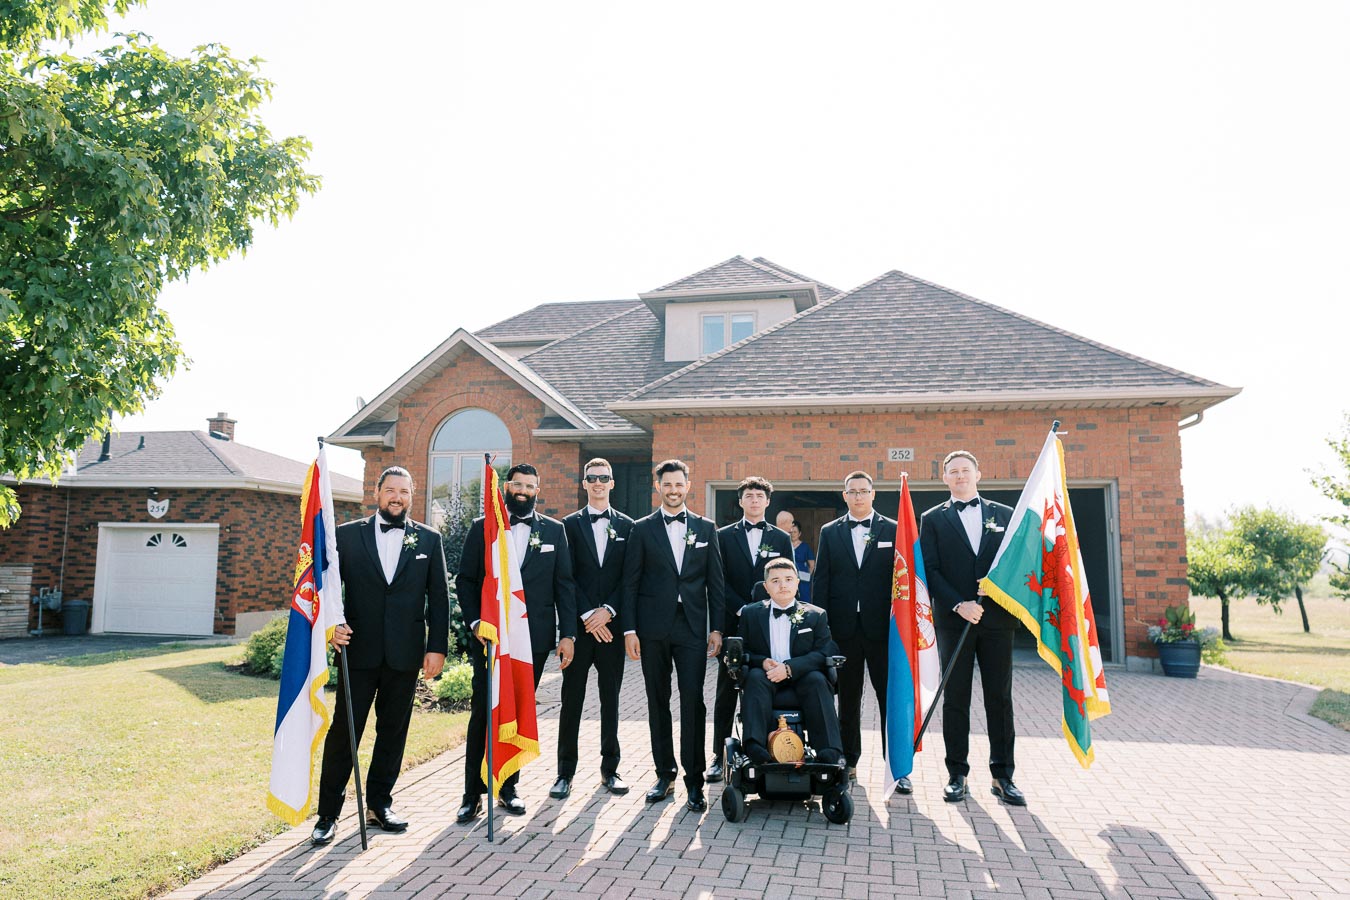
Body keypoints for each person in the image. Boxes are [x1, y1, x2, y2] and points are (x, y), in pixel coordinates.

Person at [312, 466, 449, 846]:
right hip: (357, 650)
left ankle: (379, 804)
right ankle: (327, 815)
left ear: (412, 494)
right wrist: (330, 626)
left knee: (393, 732)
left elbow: (438, 597)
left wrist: (436, 647)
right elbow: (325, 589)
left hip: (405, 655)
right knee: (344, 733)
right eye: (390, 490)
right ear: (377, 493)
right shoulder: (345, 537)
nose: (397, 497)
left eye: (404, 491)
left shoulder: (428, 539)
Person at [455, 463, 578, 822]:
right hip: (491, 639)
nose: (523, 490)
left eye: (530, 486)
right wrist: (477, 621)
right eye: (518, 484)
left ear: (538, 490)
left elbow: (564, 585)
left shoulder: (555, 531)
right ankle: (471, 795)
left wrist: (567, 634)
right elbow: (465, 580)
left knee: (519, 709)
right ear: (507, 487)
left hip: (532, 642)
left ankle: (508, 789)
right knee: (483, 712)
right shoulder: (484, 528)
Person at [621, 459, 726, 813]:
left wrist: (717, 628)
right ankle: (664, 774)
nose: (673, 490)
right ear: (658, 487)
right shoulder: (642, 529)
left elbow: (716, 583)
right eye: (667, 484)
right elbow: (630, 583)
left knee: (693, 701)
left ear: (688, 485)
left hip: (693, 627)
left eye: (679, 484)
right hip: (652, 628)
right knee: (657, 700)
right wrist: (630, 629)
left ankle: (693, 780)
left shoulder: (706, 527)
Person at [919, 450, 1022, 805]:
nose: (960, 476)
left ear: (979, 473)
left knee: (999, 697)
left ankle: (1003, 774)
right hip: (954, 619)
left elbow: (1015, 565)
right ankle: (956, 773)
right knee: (956, 697)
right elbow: (930, 569)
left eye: (966, 470)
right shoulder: (932, 518)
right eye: (953, 471)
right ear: (944, 478)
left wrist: (993, 594)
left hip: (996, 620)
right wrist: (958, 604)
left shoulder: (1006, 515)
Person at [811, 470, 905, 789]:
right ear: (845, 495)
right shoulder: (829, 532)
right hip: (843, 631)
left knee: (888, 699)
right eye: (852, 492)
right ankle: (848, 761)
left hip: (883, 632)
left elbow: (903, 582)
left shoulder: (894, 530)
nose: (858, 496)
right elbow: (821, 581)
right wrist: (820, 631)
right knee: (848, 700)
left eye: (864, 491)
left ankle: (897, 767)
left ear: (873, 494)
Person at [552, 458, 634, 800]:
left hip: (611, 629)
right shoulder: (567, 526)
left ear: (612, 483)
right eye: (592, 478)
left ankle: (610, 769)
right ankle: (564, 773)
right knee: (571, 699)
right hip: (578, 628)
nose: (598, 482)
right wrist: (588, 615)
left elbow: (630, 577)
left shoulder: (630, 526)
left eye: (604, 478)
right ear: (584, 483)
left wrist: (608, 611)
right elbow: (565, 576)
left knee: (610, 700)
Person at [707, 476, 793, 783]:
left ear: (768, 502)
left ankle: (768, 748)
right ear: (741, 501)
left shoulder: (781, 539)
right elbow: (718, 582)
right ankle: (719, 755)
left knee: (763, 685)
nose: (754, 500)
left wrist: (764, 608)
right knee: (726, 690)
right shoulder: (723, 535)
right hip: (735, 623)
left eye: (759, 495)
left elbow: (787, 581)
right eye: (749, 496)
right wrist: (741, 608)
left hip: (771, 626)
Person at [737, 558, 842, 765]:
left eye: (788, 579)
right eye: (775, 581)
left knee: (817, 679)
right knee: (755, 676)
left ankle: (828, 750)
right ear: (766, 587)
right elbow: (743, 651)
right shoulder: (751, 613)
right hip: (766, 676)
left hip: (801, 675)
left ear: (797, 583)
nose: (782, 585)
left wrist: (789, 668)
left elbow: (823, 652)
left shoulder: (816, 615)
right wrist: (762, 662)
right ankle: (754, 746)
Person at [778, 512, 816, 605]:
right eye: (791, 532)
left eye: (795, 532)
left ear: (799, 533)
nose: (793, 534)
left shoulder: (805, 546)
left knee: (803, 600)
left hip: (803, 579)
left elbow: (812, 565)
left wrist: (806, 576)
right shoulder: (785, 545)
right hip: (787, 577)